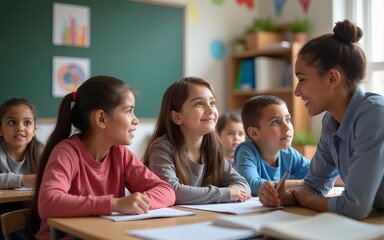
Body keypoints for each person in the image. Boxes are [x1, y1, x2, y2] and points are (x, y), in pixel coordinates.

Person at [258, 19, 384, 220]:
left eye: (303, 79)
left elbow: (354, 208)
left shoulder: (375, 115)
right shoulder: (330, 122)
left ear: (332, 78)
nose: (297, 91)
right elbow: (314, 186)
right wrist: (281, 196)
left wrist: (307, 200)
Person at [28, 76, 176, 240]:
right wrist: (115, 204)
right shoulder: (67, 152)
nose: (136, 120)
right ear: (101, 119)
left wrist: (139, 202)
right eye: (128, 111)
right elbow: (48, 203)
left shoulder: (120, 153)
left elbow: (167, 191)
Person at [142, 77, 251, 204]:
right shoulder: (162, 148)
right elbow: (170, 191)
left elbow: (243, 184)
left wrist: (234, 191)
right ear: (177, 117)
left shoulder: (213, 146)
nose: (210, 110)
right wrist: (226, 193)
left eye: (212, 103)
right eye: (199, 103)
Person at [235, 95, 310, 196]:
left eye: (288, 120)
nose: (287, 127)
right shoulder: (246, 151)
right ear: (254, 133)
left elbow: (318, 174)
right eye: (276, 122)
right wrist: (304, 183)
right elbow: (251, 185)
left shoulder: (289, 154)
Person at [0, 97, 44, 240]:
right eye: (12, 122)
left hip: (29, 211)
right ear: (0, 129)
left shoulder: (41, 152)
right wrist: (23, 179)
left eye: (27, 122)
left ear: (34, 130)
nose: (20, 128)